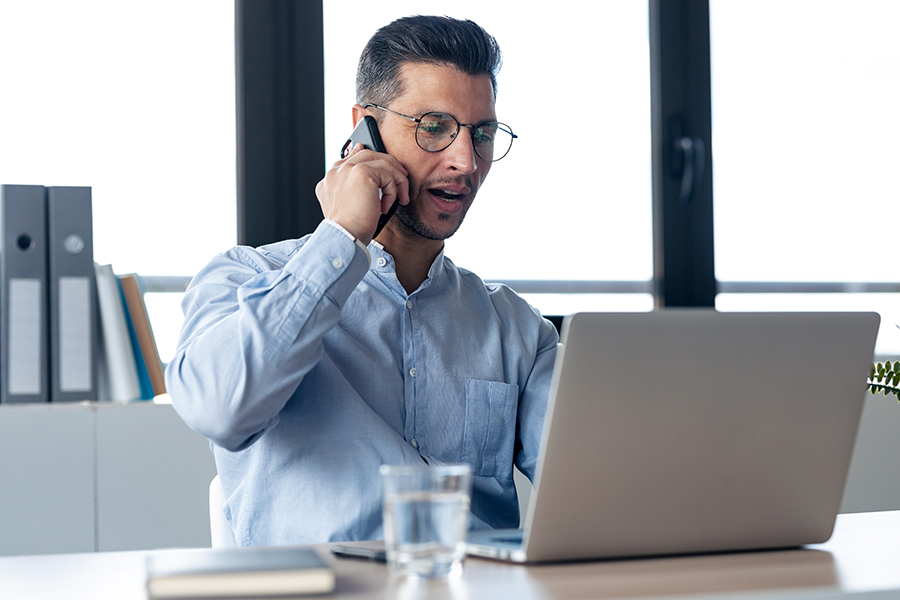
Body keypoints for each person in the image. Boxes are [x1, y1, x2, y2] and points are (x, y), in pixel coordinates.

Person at [165, 15, 559, 546]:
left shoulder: (516, 329)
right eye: (435, 127)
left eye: (482, 134)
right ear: (364, 130)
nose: (465, 161)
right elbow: (219, 408)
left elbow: (598, 477)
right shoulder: (246, 278)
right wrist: (343, 234)